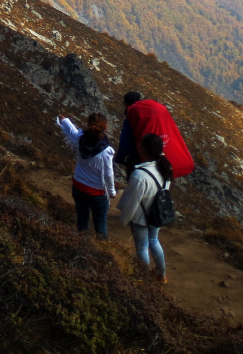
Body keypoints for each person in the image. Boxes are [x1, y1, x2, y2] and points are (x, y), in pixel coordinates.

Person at [118, 133, 172, 283]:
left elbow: (132, 202)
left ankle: (144, 279)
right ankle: (162, 275)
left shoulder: (139, 175)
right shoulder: (165, 168)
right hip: (157, 214)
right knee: (154, 241)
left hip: (141, 218)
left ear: (143, 150)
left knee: (142, 247)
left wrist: (124, 220)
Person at [57, 112, 117, 239]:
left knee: (82, 219)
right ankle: (103, 252)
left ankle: (82, 244)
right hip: (97, 193)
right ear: (105, 127)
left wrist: (64, 120)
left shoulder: (80, 139)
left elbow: (72, 131)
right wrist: (111, 192)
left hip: (78, 186)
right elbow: (108, 174)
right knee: (100, 224)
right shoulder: (106, 152)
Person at [115, 91, 144, 179]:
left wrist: (119, 159)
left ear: (127, 103)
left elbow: (125, 143)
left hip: (137, 158)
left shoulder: (131, 119)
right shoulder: (147, 115)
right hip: (153, 158)